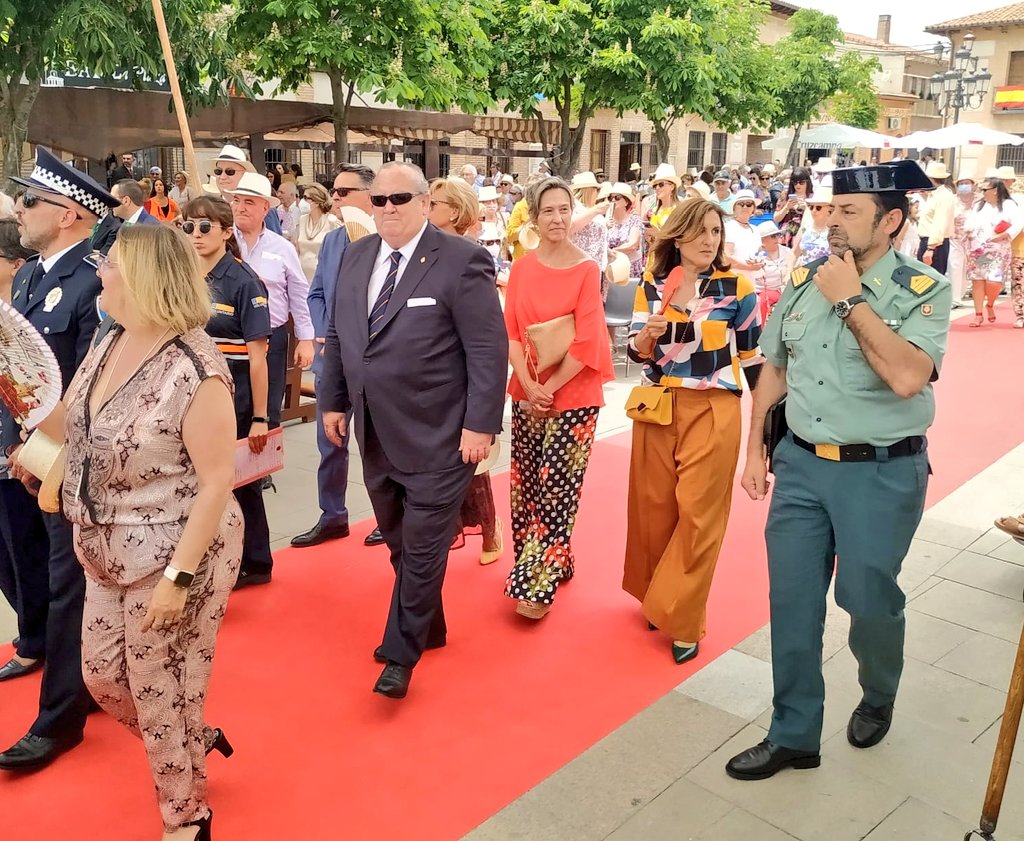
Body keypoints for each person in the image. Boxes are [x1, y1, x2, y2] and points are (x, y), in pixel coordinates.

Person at [726, 161, 952, 782]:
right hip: (801, 465)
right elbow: (774, 364)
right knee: (793, 601)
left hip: (879, 474)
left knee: (867, 599)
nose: (831, 220)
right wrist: (755, 449)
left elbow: (908, 377)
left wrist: (850, 300)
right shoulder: (805, 279)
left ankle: (878, 692)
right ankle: (794, 732)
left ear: (893, 221)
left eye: (849, 212)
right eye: (829, 209)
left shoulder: (921, 288)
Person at [58, 224, 241, 839]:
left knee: (157, 683)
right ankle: (196, 738)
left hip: (180, 548)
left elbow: (219, 481)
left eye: (106, 264)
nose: (97, 273)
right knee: (103, 677)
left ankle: (186, 814)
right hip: (104, 544)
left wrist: (176, 579)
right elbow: (79, 425)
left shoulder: (197, 367)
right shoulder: (108, 342)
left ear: (139, 277)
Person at [320, 162, 507, 699]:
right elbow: (339, 333)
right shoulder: (356, 256)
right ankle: (431, 624)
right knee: (401, 542)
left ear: (426, 202)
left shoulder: (462, 260)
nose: (389, 209)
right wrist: (333, 400)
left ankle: (400, 653)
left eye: (401, 198)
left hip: (442, 434)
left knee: (423, 547)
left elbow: (486, 349)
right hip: (374, 429)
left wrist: (480, 425)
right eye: (378, 200)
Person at [0, 148, 119, 770]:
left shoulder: (98, 279)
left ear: (70, 213)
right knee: (32, 568)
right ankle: (61, 660)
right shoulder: (29, 275)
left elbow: (88, 385)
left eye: (30, 201)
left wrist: (41, 449)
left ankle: (61, 717)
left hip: (71, 457)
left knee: (71, 579)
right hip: (25, 449)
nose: (19, 211)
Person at [624, 199, 763, 663]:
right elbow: (638, 353)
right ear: (677, 236)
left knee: (700, 515)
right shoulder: (656, 282)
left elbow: (754, 358)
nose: (709, 240)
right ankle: (655, 596)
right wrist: (646, 338)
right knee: (654, 508)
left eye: (716, 232)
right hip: (660, 405)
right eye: (700, 231)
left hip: (714, 404)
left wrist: (764, 430)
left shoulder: (737, 285)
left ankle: (683, 617)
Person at [502, 176, 615, 620]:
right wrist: (528, 384)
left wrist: (548, 387)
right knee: (527, 483)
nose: (557, 218)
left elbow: (588, 342)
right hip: (528, 389)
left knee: (556, 491)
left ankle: (537, 584)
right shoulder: (523, 266)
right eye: (547, 210)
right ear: (534, 215)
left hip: (575, 393)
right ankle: (547, 560)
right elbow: (510, 331)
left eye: (564, 209)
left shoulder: (588, 268)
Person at [226, 172, 314, 586]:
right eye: (236, 201)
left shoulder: (280, 248)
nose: (240, 208)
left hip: (271, 340)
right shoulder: (222, 245)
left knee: (262, 420)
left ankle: (257, 477)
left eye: (249, 202)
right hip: (227, 346)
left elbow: (299, 292)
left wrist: (308, 339)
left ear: (266, 208)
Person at [184, 196, 274, 591]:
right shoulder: (182, 275)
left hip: (232, 395)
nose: (197, 235)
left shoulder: (243, 281)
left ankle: (255, 559)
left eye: (205, 227)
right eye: (189, 227)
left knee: (238, 481)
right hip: (189, 392)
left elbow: (258, 358)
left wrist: (260, 416)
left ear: (225, 231)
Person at [294, 163, 384, 549]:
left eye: (343, 192)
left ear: (369, 195)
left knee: (377, 443)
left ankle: (387, 515)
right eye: (334, 190)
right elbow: (315, 292)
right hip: (332, 359)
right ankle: (333, 515)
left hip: (374, 361)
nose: (335, 198)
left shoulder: (386, 240)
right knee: (328, 440)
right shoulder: (331, 241)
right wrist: (322, 331)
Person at [426, 179, 504, 566]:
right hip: (433, 385)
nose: (425, 206)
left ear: (454, 212)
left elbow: (486, 336)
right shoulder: (418, 252)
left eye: (433, 201)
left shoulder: (472, 256)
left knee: (472, 466)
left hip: (462, 379)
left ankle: (489, 528)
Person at [0, 220, 44, 683]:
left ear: (15, 265)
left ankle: (35, 640)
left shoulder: (27, 317)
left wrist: (19, 442)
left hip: (18, 453)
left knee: (24, 551)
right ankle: (34, 628)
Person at [966, 177, 1021, 327]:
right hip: (978, 248)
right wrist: (969, 232)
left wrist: (1003, 235)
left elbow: (1018, 223)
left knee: (994, 282)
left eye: (985, 190)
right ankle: (978, 315)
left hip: (998, 249)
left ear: (995, 191)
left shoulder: (1008, 205)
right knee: (977, 281)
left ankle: (990, 303)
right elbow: (969, 222)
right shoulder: (979, 205)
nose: (982, 193)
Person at [212, 144, 283, 236]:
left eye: (230, 172)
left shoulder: (262, 208)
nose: (222, 177)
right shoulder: (211, 208)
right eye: (218, 171)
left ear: (244, 174)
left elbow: (274, 245)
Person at [295, 182, 342, 281]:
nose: (303, 201)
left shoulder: (332, 221)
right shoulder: (302, 219)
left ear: (317, 201)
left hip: (322, 276)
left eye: (306, 198)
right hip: (301, 275)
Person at [917, 161, 955, 274]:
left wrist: (930, 248)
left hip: (935, 244)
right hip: (929, 241)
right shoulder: (934, 195)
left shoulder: (943, 196)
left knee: (931, 280)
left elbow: (940, 222)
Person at [569, 171, 609, 276]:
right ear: (589, 190)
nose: (598, 193)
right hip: (579, 268)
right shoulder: (574, 209)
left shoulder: (589, 210)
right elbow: (570, 227)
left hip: (595, 268)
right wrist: (595, 211)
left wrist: (607, 251)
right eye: (597, 189)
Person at [754, 220, 793, 324]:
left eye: (778, 235)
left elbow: (795, 268)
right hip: (761, 292)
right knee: (761, 300)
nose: (777, 238)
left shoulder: (787, 252)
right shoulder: (756, 254)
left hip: (782, 290)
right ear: (762, 240)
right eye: (772, 236)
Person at [724, 189, 764, 287]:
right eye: (741, 204)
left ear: (753, 208)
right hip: (733, 279)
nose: (745, 207)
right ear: (734, 208)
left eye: (749, 204)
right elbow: (727, 255)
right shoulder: (729, 227)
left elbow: (759, 252)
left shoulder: (755, 229)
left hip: (752, 279)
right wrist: (748, 267)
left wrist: (759, 262)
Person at [606, 182, 644, 285]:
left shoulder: (634, 220)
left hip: (629, 270)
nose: (613, 200)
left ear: (626, 202)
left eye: (617, 197)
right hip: (610, 269)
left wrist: (610, 251)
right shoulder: (606, 220)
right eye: (610, 198)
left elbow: (632, 245)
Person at [949, 171, 977, 311]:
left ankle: (962, 292)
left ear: (973, 185)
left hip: (975, 239)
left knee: (968, 267)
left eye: (967, 183)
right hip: (955, 237)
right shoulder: (953, 200)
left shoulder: (979, 201)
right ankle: (955, 297)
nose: (964, 186)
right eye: (961, 184)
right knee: (955, 265)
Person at [773, 167, 813, 248]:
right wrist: (786, 207)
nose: (798, 185)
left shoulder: (813, 197)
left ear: (807, 182)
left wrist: (807, 209)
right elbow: (776, 218)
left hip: (805, 234)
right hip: (786, 236)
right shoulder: (785, 196)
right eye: (795, 182)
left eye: (801, 182)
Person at [792, 189, 833, 267]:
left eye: (818, 208)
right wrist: (788, 273)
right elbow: (794, 252)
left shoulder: (834, 232)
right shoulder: (804, 229)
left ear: (829, 210)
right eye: (811, 207)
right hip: (804, 275)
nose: (813, 211)